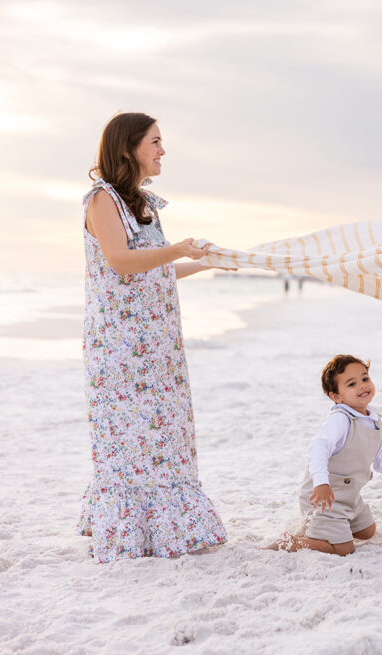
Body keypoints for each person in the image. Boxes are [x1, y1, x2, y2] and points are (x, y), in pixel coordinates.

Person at [78, 112, 227, 562]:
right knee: (131, 441)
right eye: (155, 142)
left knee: (167, 437)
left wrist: (208, 262)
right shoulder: (102, 200)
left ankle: (166, 530)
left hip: (159, 346)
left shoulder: (142, 202)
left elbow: (155, 270)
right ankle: (130, 533)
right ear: (129, 148)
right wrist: (180, 247)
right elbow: (122, 262)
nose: (163, 151)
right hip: (122, 348)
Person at [265, 354, 382, 556]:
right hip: (325, 497)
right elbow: (318, 449)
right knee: (344, 549)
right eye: (351, 384)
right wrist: (321, 483)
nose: (362, 386)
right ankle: (291, 542)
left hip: (350, 497)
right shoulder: (341, 420)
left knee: (367, 532)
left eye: (365, 378)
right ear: (336, 397)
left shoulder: (373, 419)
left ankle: (320, 529)